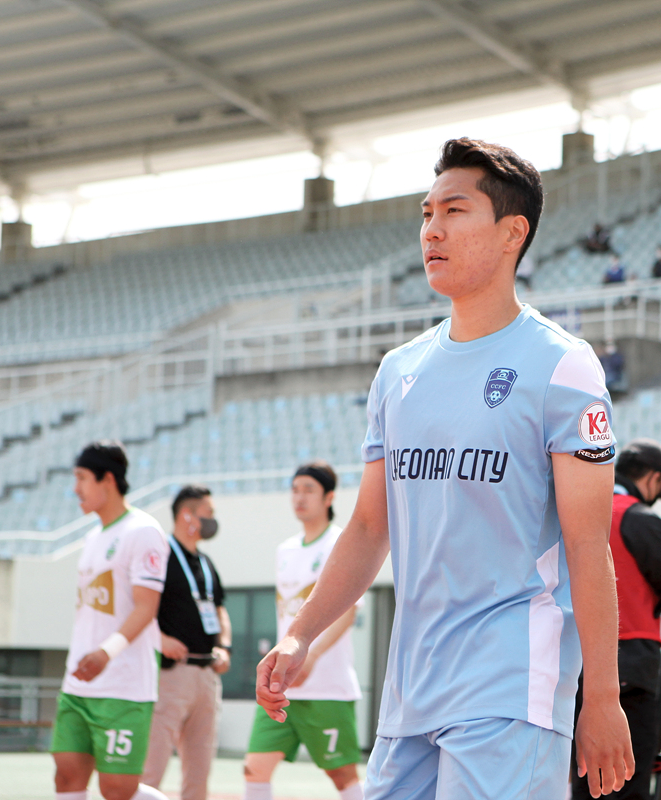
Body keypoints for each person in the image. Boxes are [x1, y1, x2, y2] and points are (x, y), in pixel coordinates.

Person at [255, 138, 634, 800]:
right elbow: (369, 528)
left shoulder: (562, 365)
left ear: (513, 232)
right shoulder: (398, 371)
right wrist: (300, 634)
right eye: (427, 213)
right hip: (411, 689)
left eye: (454, 211)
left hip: (510, 685)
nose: (432, 229)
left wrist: (601, 696)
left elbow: (586, 543)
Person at [571, 440, 661, 800]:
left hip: (577, 660)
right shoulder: (637, 516)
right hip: (632, 663)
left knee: (587, 780)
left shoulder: (582, 508)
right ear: (654, 479)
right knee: (628, 782)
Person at [51, 441, 171, 800]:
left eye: (82, 478)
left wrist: (107, 652)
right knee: (67, 775)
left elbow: (146, 607)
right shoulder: (91, 538)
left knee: (117, 788)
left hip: (123, 685)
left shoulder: (143, 531)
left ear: (108, 480)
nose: (76, 489)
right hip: (79, 684)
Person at [243, 462, 365, 800]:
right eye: (295, 490)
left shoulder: (340, 542)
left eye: (309, 490)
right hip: (283, 683)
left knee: (342, 774)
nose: (299, 497)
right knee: (254, 767)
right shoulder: (285, 550)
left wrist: (313, 655)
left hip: (327, 686)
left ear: (329, 497)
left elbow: (348, 613)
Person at [142, 486, 231, 800]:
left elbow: (219, 610)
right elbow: (137, 606)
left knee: (199, 772)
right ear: (187, 515)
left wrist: (224, 647)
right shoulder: (161, 555)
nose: (213, 520)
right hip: (170, 675)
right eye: (208, 514)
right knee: (150, 768)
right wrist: (160, 639)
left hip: (206, 675)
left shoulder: (205, 562)